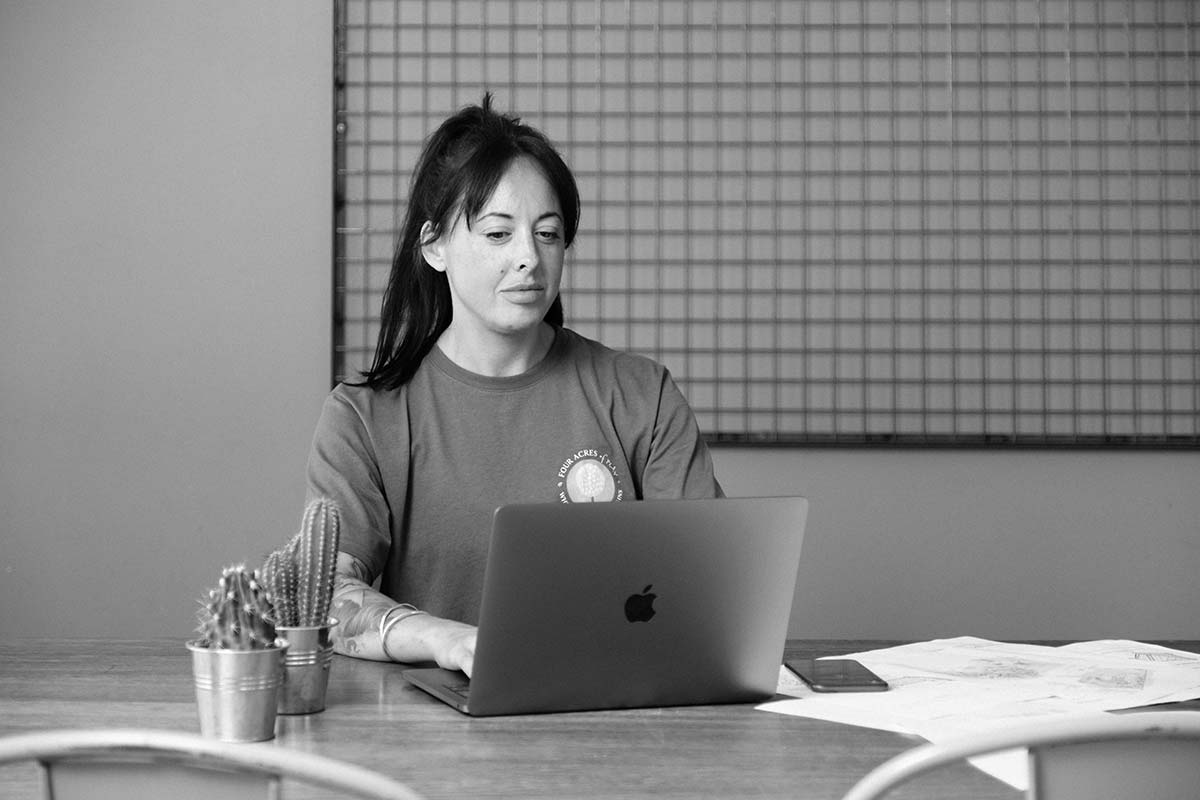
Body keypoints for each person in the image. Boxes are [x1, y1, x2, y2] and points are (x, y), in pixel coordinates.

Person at [305, 94, 722, 677]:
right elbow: (324, 596)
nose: (529, 257)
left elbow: (715, 582)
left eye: (548, 235)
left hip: (621, 717)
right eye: (499, 234)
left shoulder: (641, 395)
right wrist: (447, 641)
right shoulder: (364, 417)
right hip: (438, 732)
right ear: (434, 246)